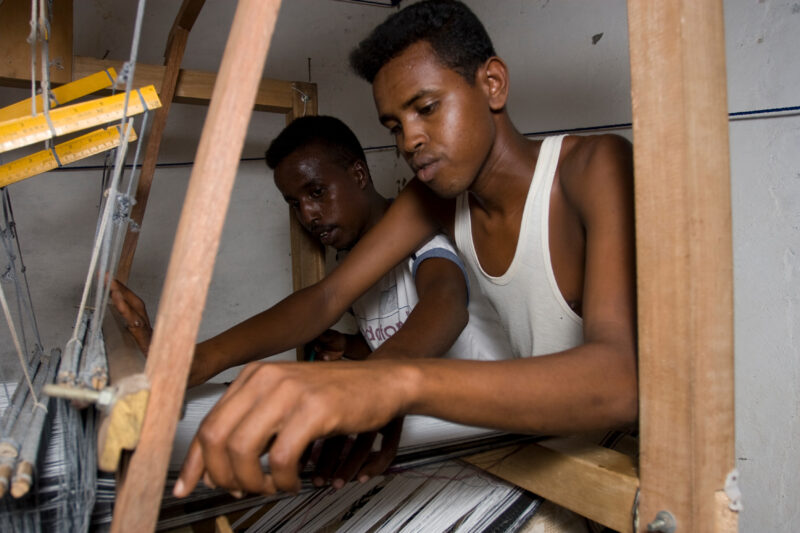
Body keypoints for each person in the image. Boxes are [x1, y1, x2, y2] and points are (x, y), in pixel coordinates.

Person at [173, 1, 638, 523]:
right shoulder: (438, 197)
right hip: (536, 454)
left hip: (617, 472)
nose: (410, 140)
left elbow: (619, 381)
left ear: (492, 84)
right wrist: (200, 360)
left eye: (427, 108)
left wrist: (390, 383)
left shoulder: (593, 169)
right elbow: (328, 297)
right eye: (394, 125)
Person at [111, 114, 511, 487]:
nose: (309, 214)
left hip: (494, 415)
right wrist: (351, 347)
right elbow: (325, 304)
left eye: (317, 192)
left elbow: (446, 305)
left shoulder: (422, 232)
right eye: (295, 203)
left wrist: (370, 382)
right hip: (435, 433)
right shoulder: (351, 259)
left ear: (357, 173)